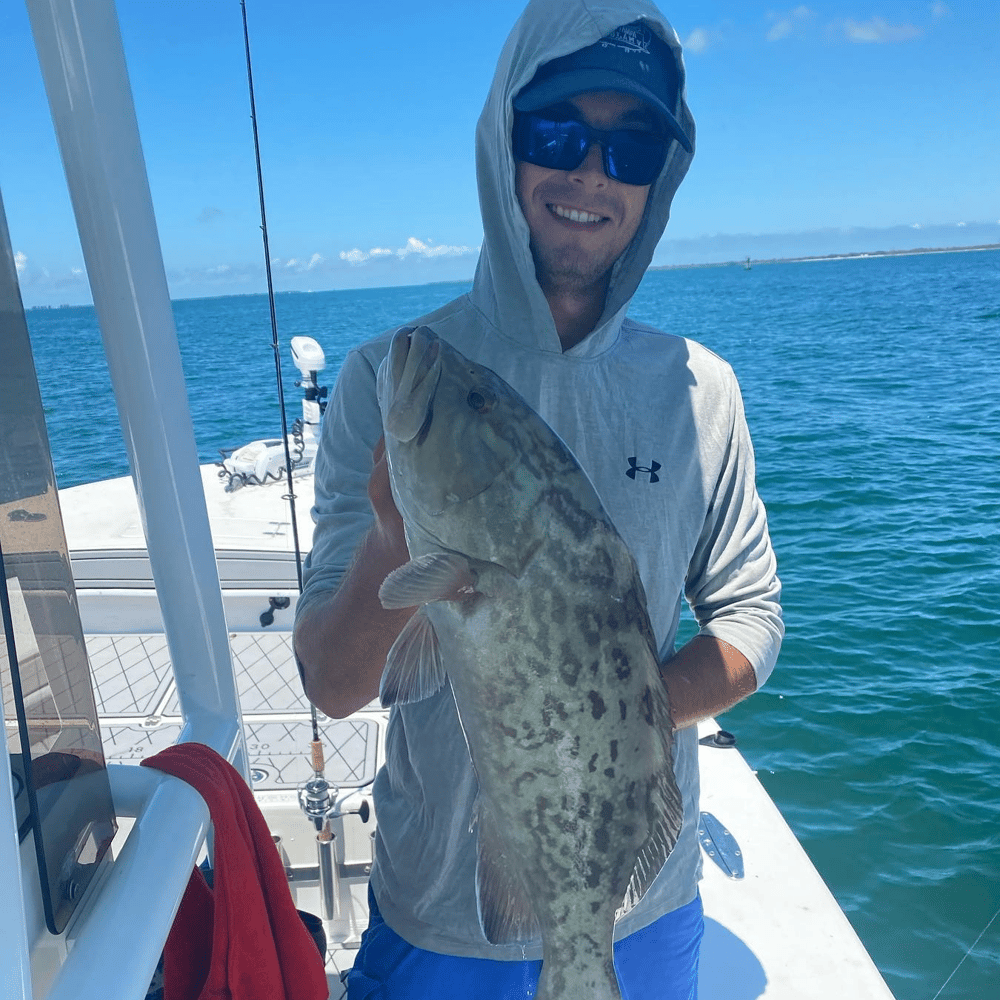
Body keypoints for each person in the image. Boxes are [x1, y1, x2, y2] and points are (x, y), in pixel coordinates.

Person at [294, 0, 782, 996]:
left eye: (631, 144)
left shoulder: (703, 390)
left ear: (662, 173)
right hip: (435, 912)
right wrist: (396, 545)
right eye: (557, 131)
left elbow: (752, 617)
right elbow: (333, 685)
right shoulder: (386, 376)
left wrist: (617, 723)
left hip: (640, 912)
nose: (591, 173)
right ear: (501, 143)